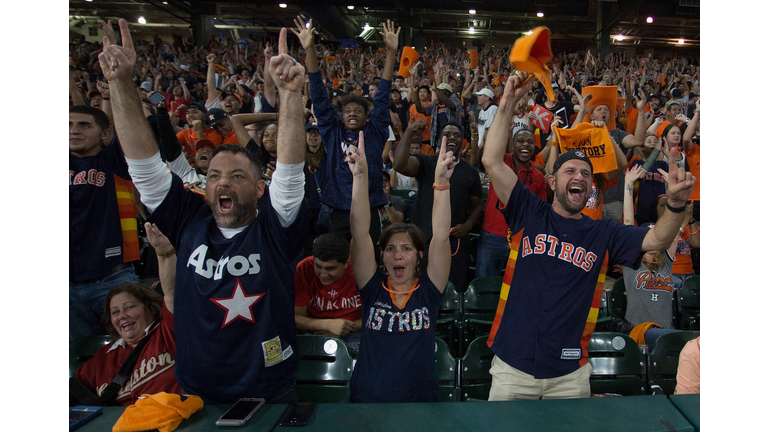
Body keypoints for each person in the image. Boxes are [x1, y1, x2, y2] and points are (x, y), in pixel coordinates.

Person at [99, 20, 307, 404]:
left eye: (236, 176)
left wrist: (292, 96)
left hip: (269, 389)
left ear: (261, 188)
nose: (222, 183)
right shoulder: (188, 218)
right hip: (195, 388)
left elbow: (291, 176)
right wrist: (120, 85)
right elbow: (143, 165)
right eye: (213, 176)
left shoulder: (275, 228)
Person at [480, 71, 695, 400]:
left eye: (585, 173)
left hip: (570, 376)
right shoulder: (529, 210)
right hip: (512, 367)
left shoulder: (603, 232)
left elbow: (657, 241)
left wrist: (677, 207)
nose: (579, 175)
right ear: (552, 182)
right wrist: (507, 102)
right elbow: (492, 161)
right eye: (570, 171)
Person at [346, 130, 453, 403]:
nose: (397, 256)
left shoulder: (428, 290)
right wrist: (360, 178)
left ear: (419, 256)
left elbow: (440, 236)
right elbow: (360, 233)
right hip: (368, 401)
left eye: (406, 249)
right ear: (381, 256)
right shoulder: (372, 289)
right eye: (390, 249)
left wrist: (440, 183)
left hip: (420, 402)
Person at [297, 18, 399, 245]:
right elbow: (318, 94)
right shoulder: (333, 132)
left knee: (369, 262)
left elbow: (383, 94)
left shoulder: (375, 130)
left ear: (367, 117)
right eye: (347, 110)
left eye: (358, 111)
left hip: (370, 206)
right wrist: (309, 48)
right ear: (341, 115)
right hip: (339, 208)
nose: (352, 114)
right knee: (338, 262)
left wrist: (391, 51)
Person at [73, 223, 181, 406]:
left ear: (150, 308)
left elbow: (171, 291)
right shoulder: (104, 357)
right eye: (115, 312)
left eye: (129, 307)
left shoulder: (168, 333)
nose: (121, 315)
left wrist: (164, 252)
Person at [70, 104, 141, 341]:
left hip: (114, 277)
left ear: (104, 134)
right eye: (68, 125)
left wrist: (112, 93)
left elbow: (131, 130)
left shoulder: (114, 162)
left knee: (133, 351)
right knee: (78, 362)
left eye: (84, 125)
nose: (73, 130)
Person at [392, 119, 483, 292]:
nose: (452, 138)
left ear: (462, 141)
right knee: (417, 291)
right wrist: (409, 130)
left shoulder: (470, 173)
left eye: (457, 135)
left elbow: (477, 206)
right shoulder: (426, 163)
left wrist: (468, 225)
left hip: (454, 244)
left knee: (451, 293)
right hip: (421, 242)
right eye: (447, 134)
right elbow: (399, 164)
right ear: (438, 139)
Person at [475, 127, 547, 278]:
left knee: (521, 286)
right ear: (512, 145)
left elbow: (541, 211)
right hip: (492, 235)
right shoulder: (500, 162)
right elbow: (491, 149)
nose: (525, 145)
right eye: (520, 141)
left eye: (530, 142)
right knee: (485, 283)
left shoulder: (538, 176)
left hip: (523, 238)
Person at [622, 165, 679, 349]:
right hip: (637, 334)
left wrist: (674, 195)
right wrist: (628, 184)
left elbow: (672, 228)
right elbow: (629, 223)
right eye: (648, 238)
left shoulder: (666, 261)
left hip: (667, 334)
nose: (653, 243)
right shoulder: (632, 262)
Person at [294, 233, 361, 352]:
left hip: (354, 333)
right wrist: (327, 325)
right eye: (318, 266)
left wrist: (344, 328)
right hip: (315, 332)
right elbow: (296, 318)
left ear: (346, 263)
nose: (323, 274)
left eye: (330, 269)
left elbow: (375, 316)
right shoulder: (304, 268)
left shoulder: (360, 269)